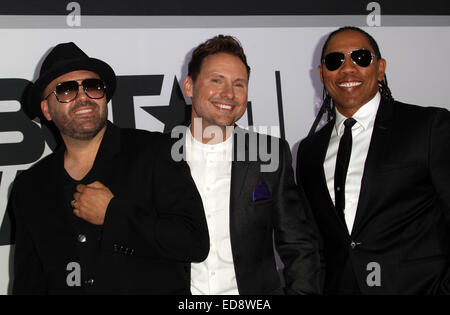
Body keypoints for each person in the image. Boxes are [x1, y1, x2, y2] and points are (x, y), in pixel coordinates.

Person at [10, 42, 209, 294]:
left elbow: (194, 242)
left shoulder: (155, 152)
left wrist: (113, 215)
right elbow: (29, 282)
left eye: (92, 87)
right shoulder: (31, 185)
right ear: (46, 109)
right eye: (66, 90)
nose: (83, 97)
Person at [296, 26, 450, 294]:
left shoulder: (428, 127)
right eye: (335, 61)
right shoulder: (309, 151)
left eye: (361, 57)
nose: (347, 69)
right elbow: (316, 243)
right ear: (322, 74)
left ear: (380, 68)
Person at [175, 35, 322, 295]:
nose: (228, 94)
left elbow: (298, 245)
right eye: (216, 80)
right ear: (189, 86)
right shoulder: (157, 156)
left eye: (239, 84)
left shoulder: (268, 154)